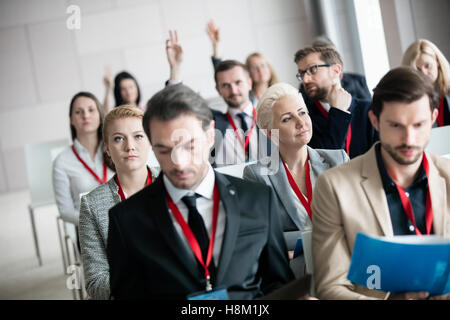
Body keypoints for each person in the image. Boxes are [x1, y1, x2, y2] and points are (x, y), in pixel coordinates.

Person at [106, 83, 294, 299]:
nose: (179, 163)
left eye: (189, 146)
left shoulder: (258, 199)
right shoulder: (127, 219)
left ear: (211, 136)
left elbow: (279, 285)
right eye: (164, 150)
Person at [311, 67, 450, 300]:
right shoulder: (335, 187)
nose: (409, 139)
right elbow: (331, 287)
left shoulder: (447, 176)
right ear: (374, 120)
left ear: (434, 119)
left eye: (418, 125)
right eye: (396, 125)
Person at [243, 83, 349, 258]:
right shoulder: (257, 175)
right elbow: (264, 238)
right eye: (287, 119)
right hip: (299, 272)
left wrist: (298, 242)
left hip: (345, 259)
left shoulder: (338, 160)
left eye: (302, 112)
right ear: (270, 133)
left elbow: (355, 219)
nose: (301, 123)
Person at [79, 105, 159, 300]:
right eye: (118, 138)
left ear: (150, 141)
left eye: (138, 136)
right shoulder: (91, 205)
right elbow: (95, 282)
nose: (129, 146)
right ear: (107, 148)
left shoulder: (173, 183)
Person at [165, 31, 264, 167]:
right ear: (218, 90)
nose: (233, 90)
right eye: (225, 85)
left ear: (249, 83)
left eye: (238, 82)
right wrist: (175, 68)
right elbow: (178, 105)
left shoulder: (268, 117)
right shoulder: (213, 121)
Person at [294, 45, 378, 158]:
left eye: (313, 69)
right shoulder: (305, 119)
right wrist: (338, 113)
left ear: (335, 70)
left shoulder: (369, 110)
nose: (305, 79)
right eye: (302, 74)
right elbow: (326, 161)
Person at [52, 92, 115, 226]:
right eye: (79, 112)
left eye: (91, 110)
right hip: (90, 230)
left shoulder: (115, 148)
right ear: (71, 119)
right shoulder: (62, 162)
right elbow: (65, 211)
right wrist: (95, 222)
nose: (86, 115)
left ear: (100, 114)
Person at [206, 19, 278, 105]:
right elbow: (222, 73)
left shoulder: (280, 92)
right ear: (248, 75)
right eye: (254, 68)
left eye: (263, 65)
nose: (260, 70)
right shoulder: (245, 97)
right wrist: (216, 45)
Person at [402, 39, 450, 127]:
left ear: (437, 62)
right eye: (417, 70)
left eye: (427, 66)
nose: (424, 73)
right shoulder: (406, 103)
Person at [307, 35, 372, 101]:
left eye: (332, 56)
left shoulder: (358, 81)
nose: (330, 62)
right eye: (322, 59)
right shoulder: (307, 89)